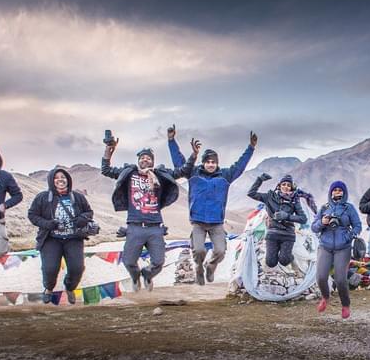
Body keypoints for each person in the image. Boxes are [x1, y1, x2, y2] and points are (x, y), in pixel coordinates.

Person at [102, 138, 198, 291]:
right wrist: (109, 150)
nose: (145, 160)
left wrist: (193, 155)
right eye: (142, 158)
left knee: (158, 262)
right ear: (138, 161)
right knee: (128, 261)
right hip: (134, 226)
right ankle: (135, 277)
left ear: (152, 162)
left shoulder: (160, 174)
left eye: (148, 158)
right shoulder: (129, 172)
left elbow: (183, 171)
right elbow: (106, 170)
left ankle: (147, 275)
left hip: (155, 226)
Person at [168, 125, 256, 285]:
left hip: (217, 223)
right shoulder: (193, 173)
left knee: (221, 251)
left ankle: (211, 265)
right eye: (208, 162)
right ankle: (199, 268)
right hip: (198, 222)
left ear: (217, 163)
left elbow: (240, 165)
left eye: (213, 162)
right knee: (199, 250)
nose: (210, 164)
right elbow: (179, 162)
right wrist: (171, 141)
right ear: (203, 163)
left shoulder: (226, 176)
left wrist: (251, 148)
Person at [28, 168, 94, 304]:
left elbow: (89, 211)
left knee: (77, 268)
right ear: (52, 181)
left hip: (73, 238)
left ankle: (70, 287)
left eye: (63, 177)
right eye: (56, 177)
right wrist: (47, 224)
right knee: (50, 268)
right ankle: (48, 288)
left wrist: (82, 218)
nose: (60, 180)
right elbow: (32, 215)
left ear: (68, 180)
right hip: (51, 239)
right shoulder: (42, 197)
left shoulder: (77, 196)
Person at [311, 181, 362, 319]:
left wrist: (349, 236)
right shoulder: (324, 208)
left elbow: (358, 226)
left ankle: (345, 305)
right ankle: (325, 298)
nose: (337, 192)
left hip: (343, 247)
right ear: (330, 192)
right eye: (335, 190)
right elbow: (314, 227)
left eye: (340, 190)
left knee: (340, 279)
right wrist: (322, 222)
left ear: (344, 193)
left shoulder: (349, 208)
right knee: (321, 277)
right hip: (325, 246)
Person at [247, 173, 308, 268]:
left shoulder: (295, 201)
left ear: (291, 188)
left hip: (288, 234)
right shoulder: (269, 197)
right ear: (279, 186)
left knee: (284, 261)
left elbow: (303, 219)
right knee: (271, 263)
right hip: (273, 233)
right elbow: (251, 193)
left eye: (288, 185)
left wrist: (287, 216)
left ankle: (289, 256)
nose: (286, 187)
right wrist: (260, 180)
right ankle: (280, 253)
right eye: (284, 184)